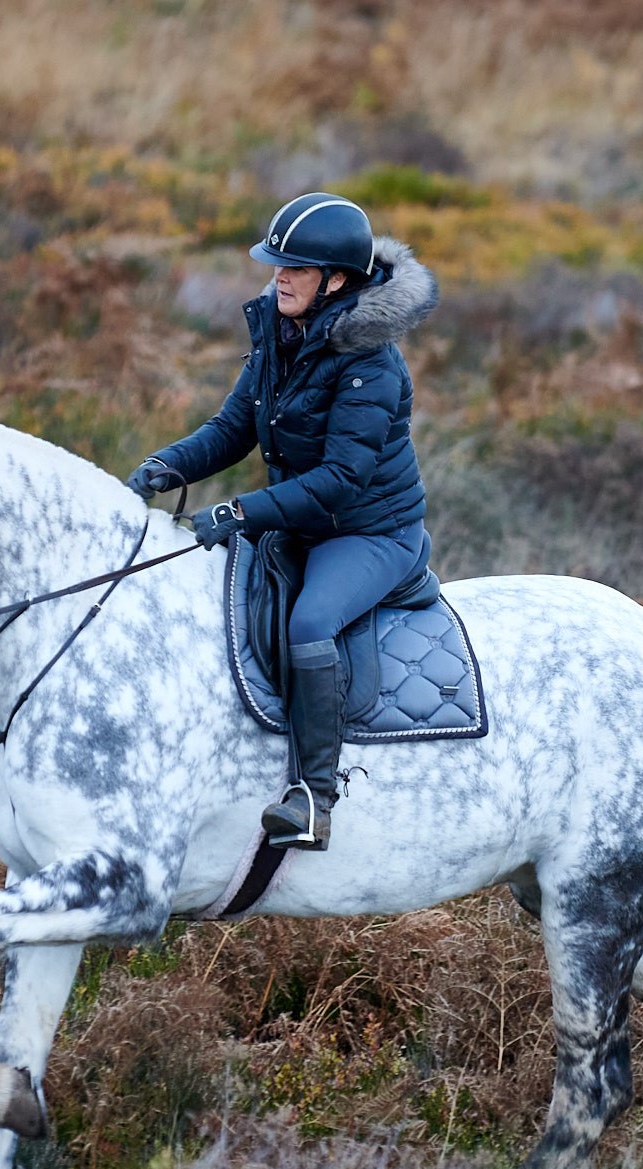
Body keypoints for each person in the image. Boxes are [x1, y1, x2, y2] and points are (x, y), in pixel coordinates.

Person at [125, 192, 439, 851]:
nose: (280, 276)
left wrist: (238, 512)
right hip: (300, 520)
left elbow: (339, 481)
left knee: (309, 623)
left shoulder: (370, 362)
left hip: (369, 533)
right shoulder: (281, 329)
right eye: (277, 264)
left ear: (339, 280)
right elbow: (234, 428)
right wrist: (164, 468)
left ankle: (313, 797)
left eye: (296, 267)